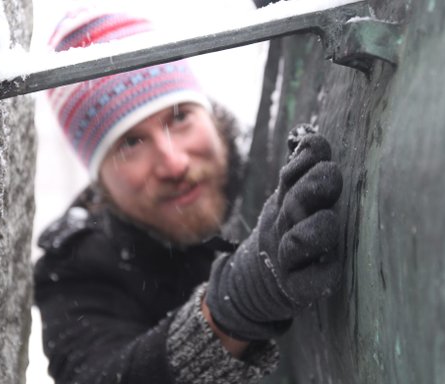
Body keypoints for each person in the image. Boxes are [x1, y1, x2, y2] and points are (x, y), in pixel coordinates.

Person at [33, 6, 344, 384]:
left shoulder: (283, 156)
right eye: (131, 142)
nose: (174, 163)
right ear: (100, 178)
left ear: (208, 114)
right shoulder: (78, 270)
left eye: (179, 117)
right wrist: (231, 312)